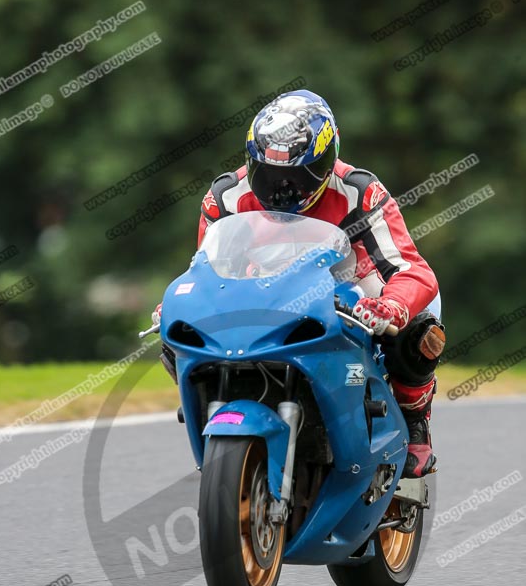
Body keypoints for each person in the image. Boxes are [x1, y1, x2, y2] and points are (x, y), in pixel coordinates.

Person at [154, 90, 445, 478]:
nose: (282, 188)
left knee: (418, 332)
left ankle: (413, 420)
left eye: (298, 175)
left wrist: (390, 305)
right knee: (181, 335)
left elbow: (411, 268)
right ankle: (217, 401)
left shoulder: (360, 191)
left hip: (353, 290)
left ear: (328, 161)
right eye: (269, 174)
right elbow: (208, 271)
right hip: (265, 297)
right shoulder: (224, 197)